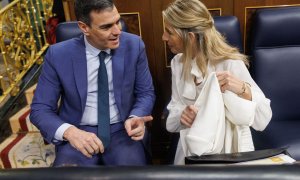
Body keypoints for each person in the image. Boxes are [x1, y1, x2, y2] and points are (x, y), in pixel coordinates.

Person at [30, 0, 155, 166]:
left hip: (123, 131)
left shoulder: (134, 45)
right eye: (106, 27)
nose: (117, 31)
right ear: (84, 28)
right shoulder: (58, 54)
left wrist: (136, 115)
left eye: (117, 21)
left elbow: (146, 93)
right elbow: (40, 109)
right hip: (78, 131)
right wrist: (70, 132)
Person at [162, 0, 272, 164]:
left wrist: (243, 90)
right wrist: (182, 116)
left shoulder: (230, 63)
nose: (164, 37)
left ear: (190, 37)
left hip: (230, 153)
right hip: (193, 148)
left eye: (169, 32)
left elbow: (263, 118)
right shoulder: (177, 63)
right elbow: (172, 118)